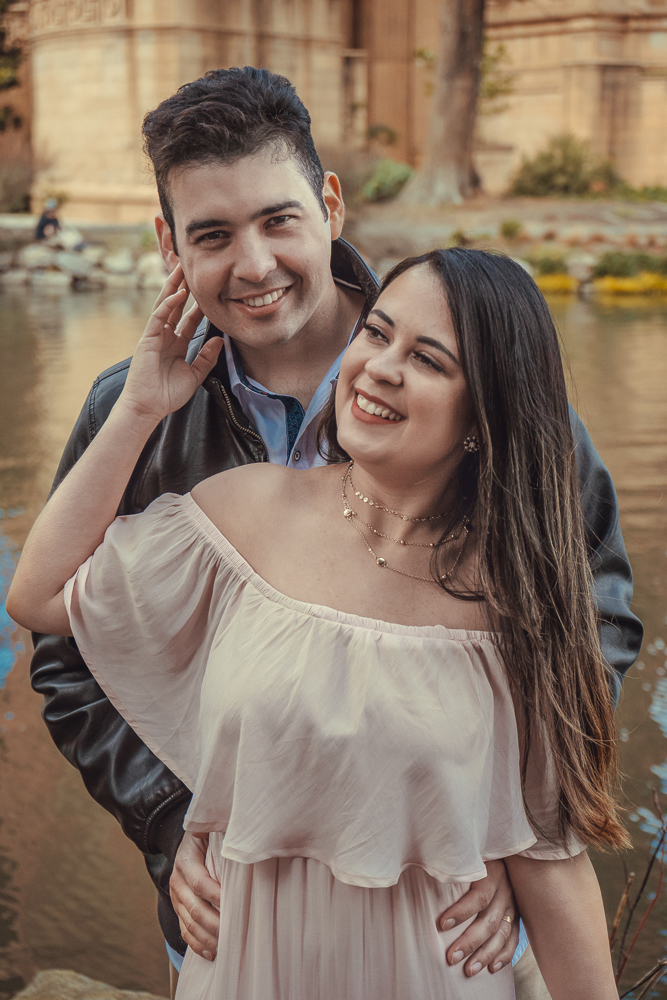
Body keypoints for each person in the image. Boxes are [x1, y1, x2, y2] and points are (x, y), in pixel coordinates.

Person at [27, 67, 642, 998]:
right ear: (168, 246)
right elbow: (65, 649)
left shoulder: (498, 390)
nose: (254, 265)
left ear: (329, 205)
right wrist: (169, 822)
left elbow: (590, 621)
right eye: (211, 235)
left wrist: (495, 816)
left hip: (444, 928)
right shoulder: (134, 414)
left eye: (278, 220)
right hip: (233, 915)